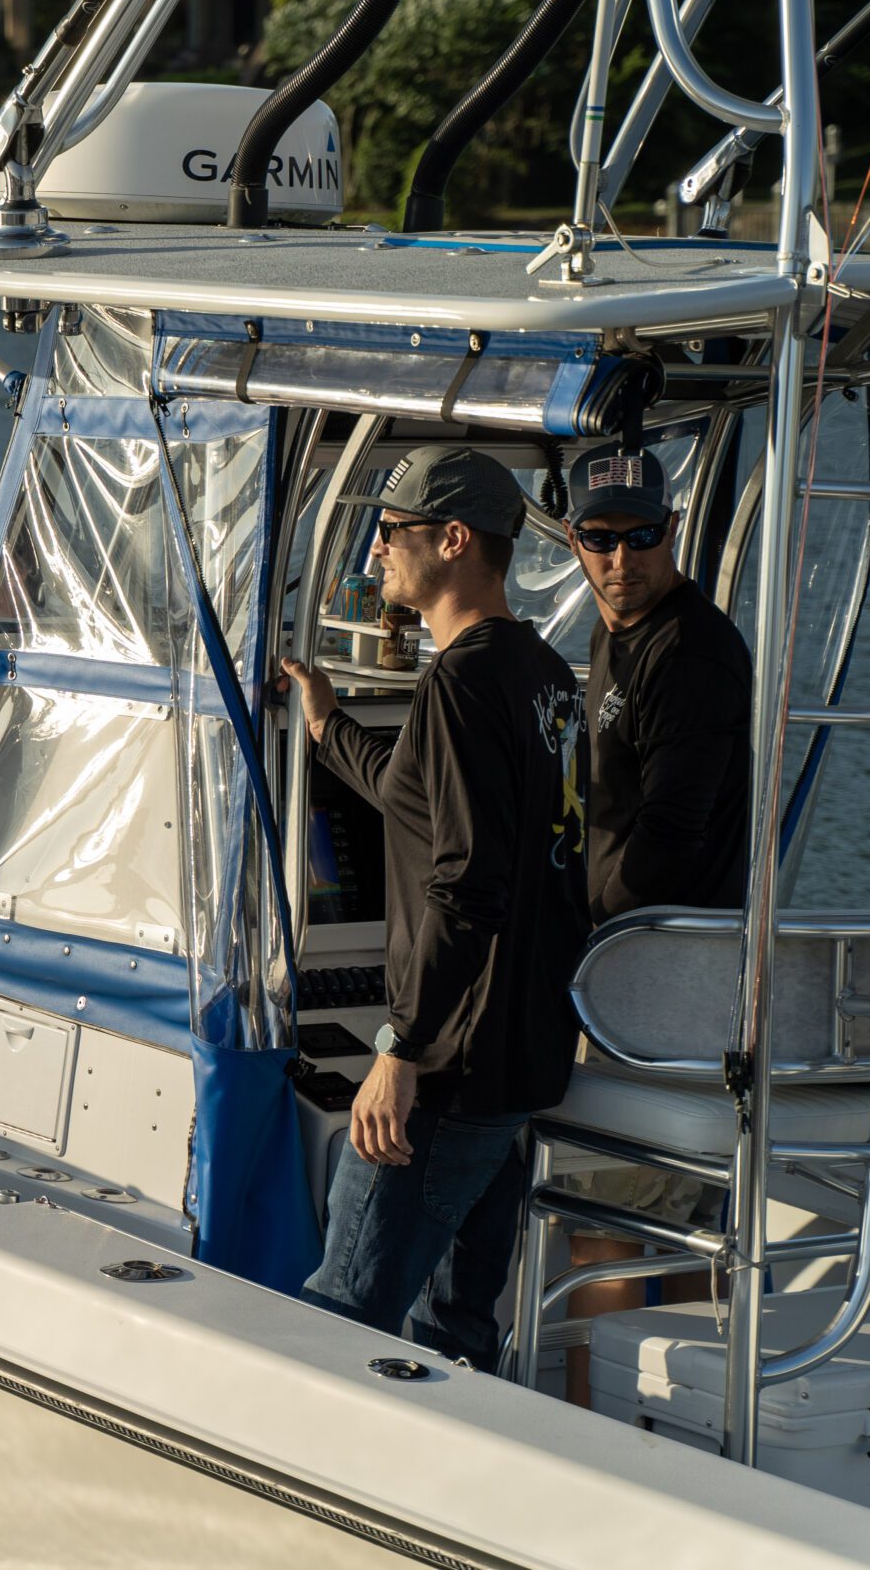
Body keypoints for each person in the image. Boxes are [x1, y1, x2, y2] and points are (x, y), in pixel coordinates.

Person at [278, 444, 587, 1374]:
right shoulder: (543, 674)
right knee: (455, 1339)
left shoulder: (460, 684)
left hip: (450, 1067)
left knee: (338, 1322)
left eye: (392, 529)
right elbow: (421, 798)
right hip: (518, 1065)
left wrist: (401, 1049)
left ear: (453, 540)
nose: (377, 546)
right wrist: (327, 724)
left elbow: (466, 882)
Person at [558, 442, 754, 1402]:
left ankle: (587, 1429)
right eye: (600, 539)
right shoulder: (616, 636)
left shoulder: (692, 652)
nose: (621, 559)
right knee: (671, 1228)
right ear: (572, 541)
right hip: (647, 982)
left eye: (642, 536)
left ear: (672, 531)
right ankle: (669, 1428)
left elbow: (670, 838)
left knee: (606, 1228)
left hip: (655, 986)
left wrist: (574, 945)